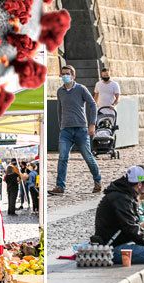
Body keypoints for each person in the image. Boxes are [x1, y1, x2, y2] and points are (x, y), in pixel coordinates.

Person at [49, 65, 102, 195]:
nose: (65, 76)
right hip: (65, 131)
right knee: (62, 157)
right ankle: (60, 187)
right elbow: (59, 109)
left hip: (81, 129)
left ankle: (98, 181)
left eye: (67, 73)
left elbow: (92, 104)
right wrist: (61, 125)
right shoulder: (60, 91)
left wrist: (92, 124)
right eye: (63, 74)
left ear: (73, 76)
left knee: (88, 156)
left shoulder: (81, 89)